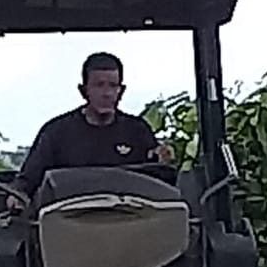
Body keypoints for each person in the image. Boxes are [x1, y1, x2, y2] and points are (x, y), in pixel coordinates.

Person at [10, 52, 173, 207]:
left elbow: (158, 176)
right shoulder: (56, 132)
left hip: (128, 217)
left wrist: (164, 158)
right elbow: (27, 181)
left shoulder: (138, 130)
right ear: (84, 90)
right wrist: (18, 196)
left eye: (113, 86)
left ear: (121, 91)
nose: (107, 93)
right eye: (99, 85)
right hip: (70, 218)